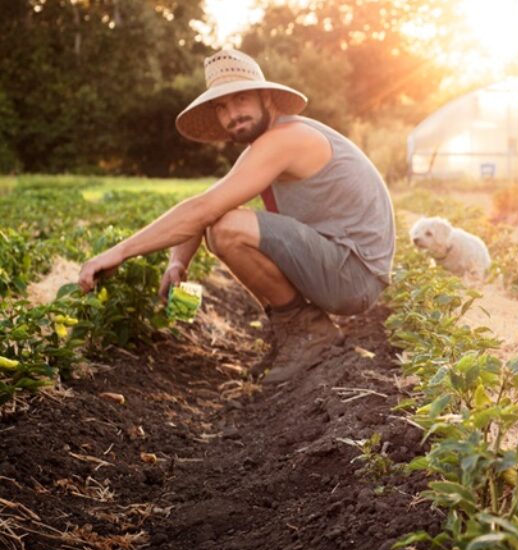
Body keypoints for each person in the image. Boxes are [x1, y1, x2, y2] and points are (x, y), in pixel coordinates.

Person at [78, 48, 396, 383]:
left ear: (266, 97)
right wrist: (177, 264)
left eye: (240, 99)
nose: (232, 114)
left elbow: (206, 211)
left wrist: (120, 252)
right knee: (222, 220)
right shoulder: (264, 146)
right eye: (221, 107)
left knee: (227, 229)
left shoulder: (286, 139)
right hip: (343, 269)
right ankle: (294, 334)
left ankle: (310, 333)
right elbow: (208, 202)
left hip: (354, 273)